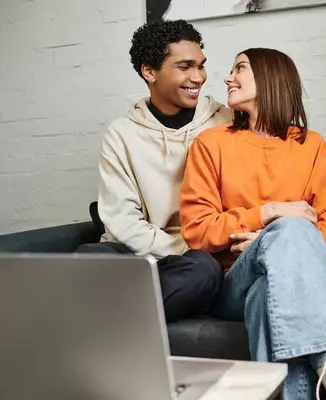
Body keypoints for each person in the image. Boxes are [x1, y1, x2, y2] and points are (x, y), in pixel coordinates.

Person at [179, 48, 326, 400]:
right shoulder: (211, 144)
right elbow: (198, 230)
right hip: (236, 279)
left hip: (319, 275)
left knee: (265, 296)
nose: (227, 77)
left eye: (240, 68)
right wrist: (271, 214)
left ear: (271, 78)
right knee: (290, 228)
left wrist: (267, 241)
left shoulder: (311, 145)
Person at [76, 19, 232, 323]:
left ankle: (98, 323)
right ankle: (119, 319)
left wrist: (196, 250)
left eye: (201, 66)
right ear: (149, 71)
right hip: (137, 256)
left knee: (203, 271)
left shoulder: (224, 122)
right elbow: (122, 222)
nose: (198, 77)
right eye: (185, 66)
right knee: (87, 257)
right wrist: (175, 249)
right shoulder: (121, 134)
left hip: (195, 260)